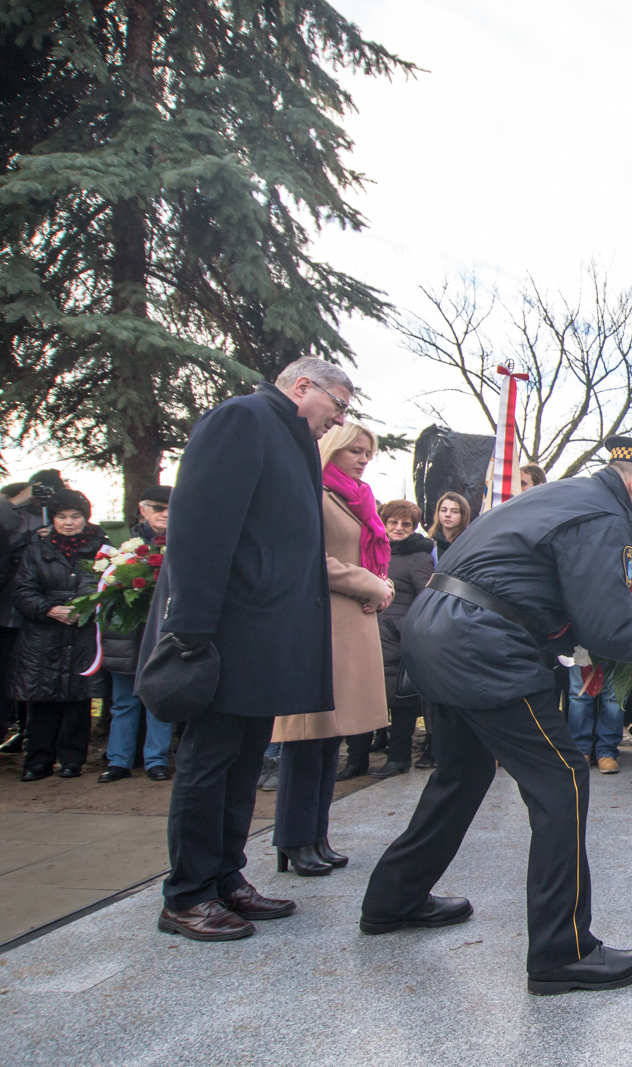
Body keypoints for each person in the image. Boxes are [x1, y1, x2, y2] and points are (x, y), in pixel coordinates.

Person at [363, 435, 632, 996]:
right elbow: (607, 629)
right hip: (481, 643)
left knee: (461, 775)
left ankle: (393, 900)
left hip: (437, 630)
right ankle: (562, 952)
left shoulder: (566, 495)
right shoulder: (603, 516)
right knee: (561, 778)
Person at [148, 356, 347, 941]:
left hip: (265, 636)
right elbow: (201, 528)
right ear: (303, 386)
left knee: (243, 763)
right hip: (226, 631)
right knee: (208, 765)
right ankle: (186, 895)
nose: (337, 422)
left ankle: (225, 878)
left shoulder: (291, 440)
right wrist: (190, 629)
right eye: (338, 406)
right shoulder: (243, 419)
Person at [271, 421, 392, 876]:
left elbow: (367, 557)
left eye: (368, 452)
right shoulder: (312, 492)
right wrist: (370, 583)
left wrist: (382, 583)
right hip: (320, 624)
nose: (363, 459)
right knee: (308, 737)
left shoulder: (357, 499)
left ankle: (316, 834)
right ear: (330, 449)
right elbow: (307, 557)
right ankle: (293, 838)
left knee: (331, 739)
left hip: (352, 623)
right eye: (354, 451)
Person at [11, 490, 106, 780]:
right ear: (52, 519)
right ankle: (37, 760)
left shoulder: (100, 549)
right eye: (62, 517)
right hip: (43, 633)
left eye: (75, 516)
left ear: (84, 518)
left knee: (78, 699)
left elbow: (106, 584)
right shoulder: (35, 550)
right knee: (42, 698)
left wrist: (84, 608)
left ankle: (72, 760)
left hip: (83, 631)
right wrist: (51, 609)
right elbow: (23, 591)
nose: (68, 523)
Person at [99, 486, 173, 783]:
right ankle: (119, 760)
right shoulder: (121, 544)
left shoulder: (186, 540)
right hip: (127, 633)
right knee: (124, 701)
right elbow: (103, 583)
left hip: (163, 631)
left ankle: (157, 760)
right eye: (157, 507)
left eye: (171, 506)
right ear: (143, 510)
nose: (165, 513)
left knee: (160, 699)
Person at [371, 499, 434, 778]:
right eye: (393, 522)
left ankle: (398, 757)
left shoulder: (419, 557)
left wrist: (404, 627)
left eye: (405, 524)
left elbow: (427, 597)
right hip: (368, 633)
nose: (398, 528)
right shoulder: (373, 549)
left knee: (401, 701)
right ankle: (357, 759)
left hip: (397, 638)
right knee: (366, 697)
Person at [0, 473, 58, 753]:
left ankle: (27, 731)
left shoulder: (59, 518)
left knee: (33, 675)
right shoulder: (9, 510)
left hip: (44, 612)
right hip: (8, 611)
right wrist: (16, 500)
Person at [567, 664, 625, 773]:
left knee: (614, 695)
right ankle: (581, 749)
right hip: (582, 648)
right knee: (579, 694)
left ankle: (607, 751)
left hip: (617, 648)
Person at [429, 491, 473, 561]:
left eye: (455, 511)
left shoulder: (471, 545)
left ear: (463, 515)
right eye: (443, 510)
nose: (448, 515)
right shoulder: (430, 545)